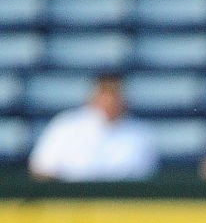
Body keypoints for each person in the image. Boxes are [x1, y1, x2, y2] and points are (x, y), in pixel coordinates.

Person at [28, 74, 159, 181]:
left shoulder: (140, 133)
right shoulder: (66, 125)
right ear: (93, 96)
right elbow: (41, 167)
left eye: (115, 94)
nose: (110, 101)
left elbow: (147, 175)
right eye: (105, 93)